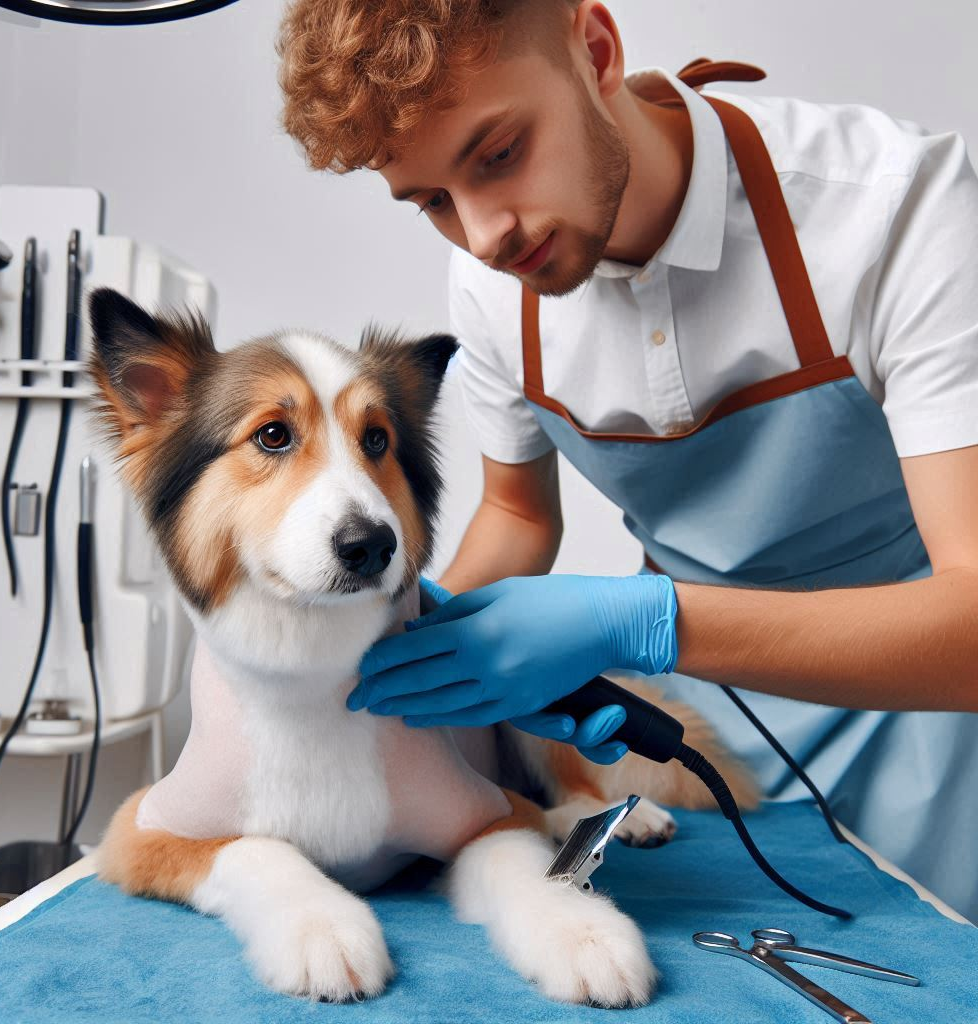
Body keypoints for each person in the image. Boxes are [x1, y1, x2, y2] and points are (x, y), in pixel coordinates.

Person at [275, 0, 978, 919]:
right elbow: (520, 515)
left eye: (499, 154)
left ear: (596, 50)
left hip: (924, 717)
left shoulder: (894, 207)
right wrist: (404, 643)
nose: (487, 234)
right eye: (435, 203)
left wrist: (640, 621)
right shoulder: (496, 287)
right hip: (680, 742)